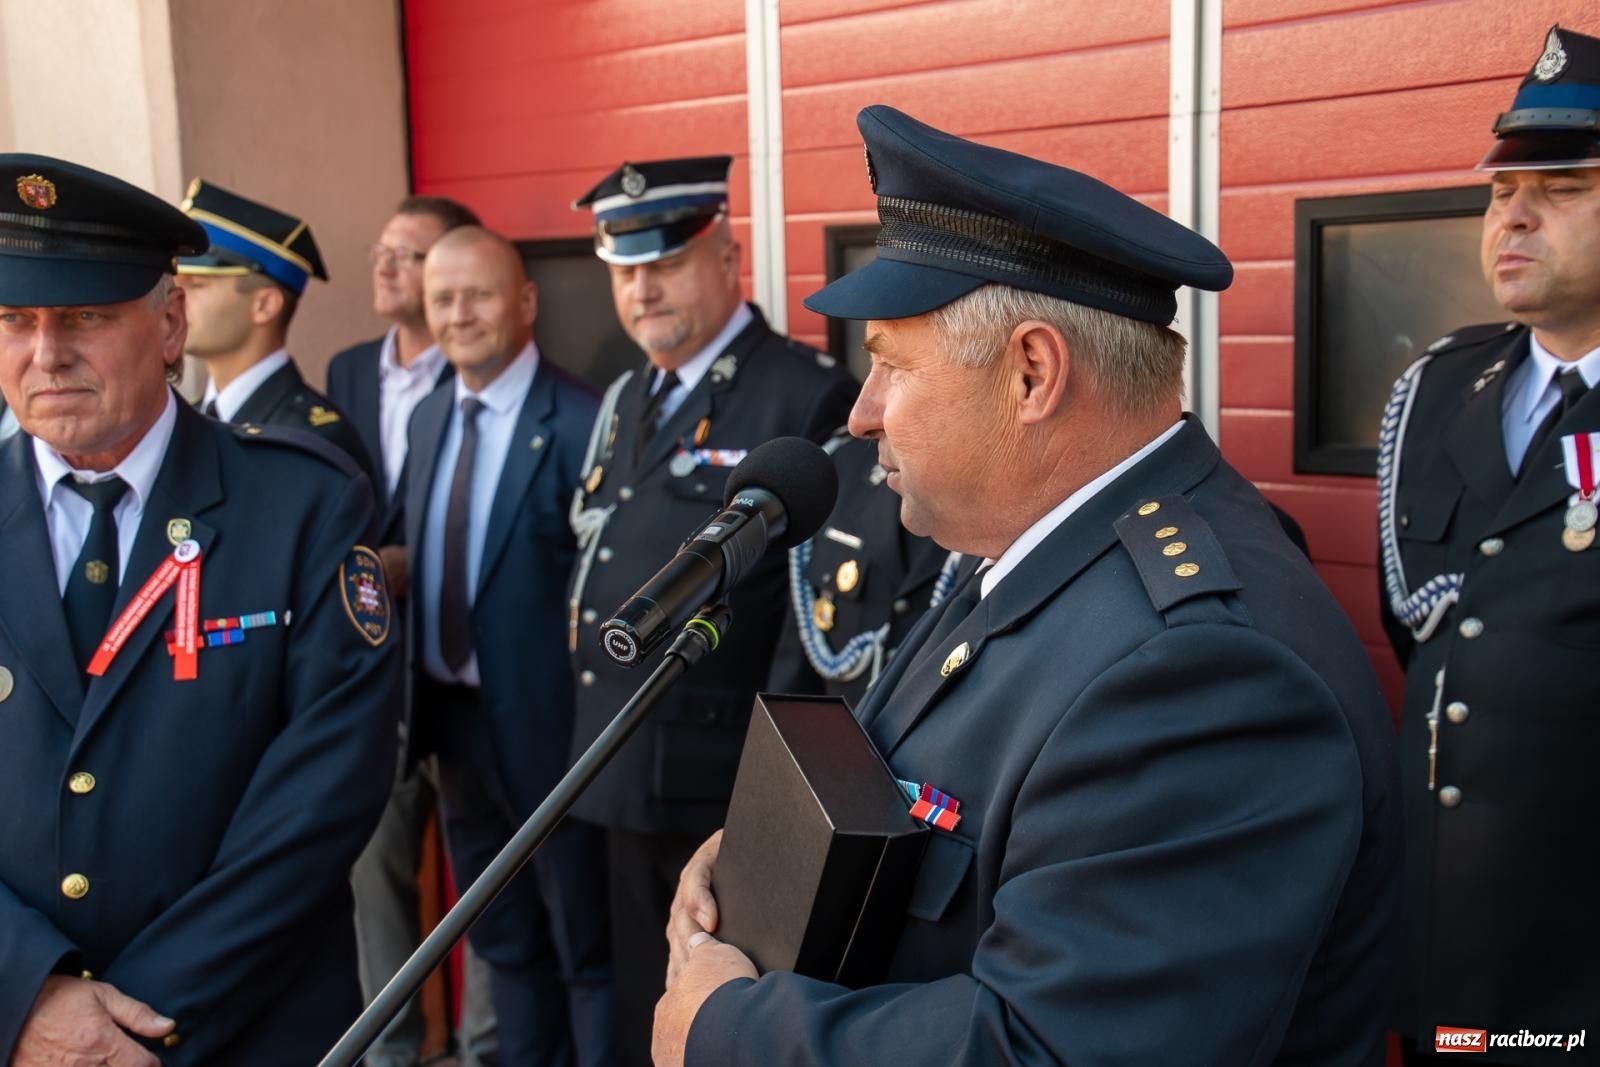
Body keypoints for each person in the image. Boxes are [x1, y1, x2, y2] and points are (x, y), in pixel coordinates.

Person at [653, 106, 1402, 1066]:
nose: (862, 412)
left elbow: (1055, 1049)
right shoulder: (1035, 551)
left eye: (890, 365)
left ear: (1032, 373)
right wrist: (761, 870)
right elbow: (916, 796)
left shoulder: (1201, 670)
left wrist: (732, 1032)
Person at [0, 154, 399, 1065]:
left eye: (88, 316)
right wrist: (26, 995)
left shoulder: (302, 505)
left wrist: (132, 1019)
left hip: (240, 1029)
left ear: (170, 320)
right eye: (14, 319)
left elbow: (322, 798)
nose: (45, 351)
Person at [564, 154, 858, 1065]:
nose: (642, 286)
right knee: (626, 1011)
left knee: (713, 1021)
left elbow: (818, 627)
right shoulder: (625, 396)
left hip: (719, 785)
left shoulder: (803, 392)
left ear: (728, 257)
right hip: (612, 760)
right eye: (625, 268)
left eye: (665, 261)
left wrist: (767, 794)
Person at [1377, 24, 1600, 1065]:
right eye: (1500, 191)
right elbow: (1431, 626)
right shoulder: (1437, 388)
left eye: (1560, 187)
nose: (1512, 213)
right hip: (1447, 942)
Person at [406, 226, 611, 1066]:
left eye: (479, 294)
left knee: (586, 948)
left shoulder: (581, 419)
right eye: (442, 299)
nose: (460, 315)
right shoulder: (425, 418)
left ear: (525, 302)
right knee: (501, 940)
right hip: (455, 731)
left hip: (556, 733)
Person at [327, 193, 493, 1067]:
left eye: (412, 253)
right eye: (383, 250)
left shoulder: (482, 373)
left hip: (465, 670)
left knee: (490, 875)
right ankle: (392, 1047)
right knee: (376, 869)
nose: (389, 267)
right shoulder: (348, 371)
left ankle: (485, 1047)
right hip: (375, 674)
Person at [176, 178, 376, 482]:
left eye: (197, 286)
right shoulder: (186, 419)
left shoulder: (310, 440)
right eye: (176, 287)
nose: (176, 301)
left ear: (265, 305)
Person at [766, 431, 956, 706]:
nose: (857, 421)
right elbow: (798, 664)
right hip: (836, 737)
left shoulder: (1005, 499)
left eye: (899, 383)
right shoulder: (840, 466)